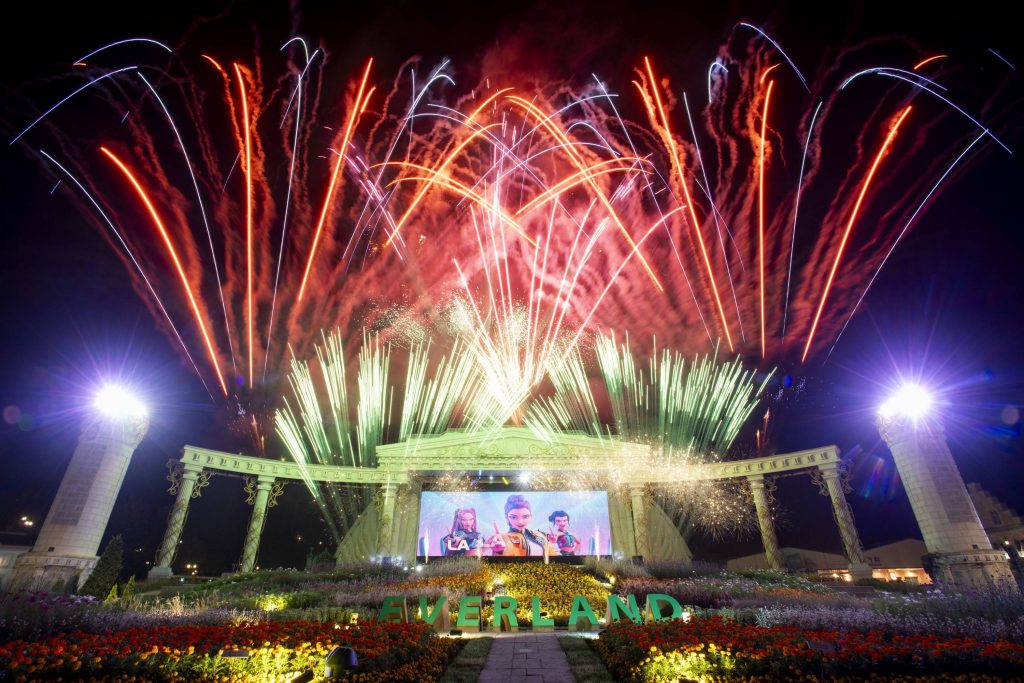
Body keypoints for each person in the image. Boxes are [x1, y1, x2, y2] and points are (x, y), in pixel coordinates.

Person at [488, 494, 553, 556]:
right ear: (507, 518)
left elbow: (553, 555)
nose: (520, 522)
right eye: (513, 517)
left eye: (525, 517)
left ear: (531, 516)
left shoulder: (539, 535)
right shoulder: (502, 538)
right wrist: (499, 552)